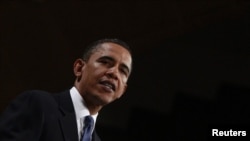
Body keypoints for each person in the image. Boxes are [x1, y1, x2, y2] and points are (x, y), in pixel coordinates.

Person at [0, 38, 133, 141]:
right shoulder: (38, 104)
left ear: (122, 91)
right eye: (105, 62)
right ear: (79, 68)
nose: (114, 73)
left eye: (123, 71)